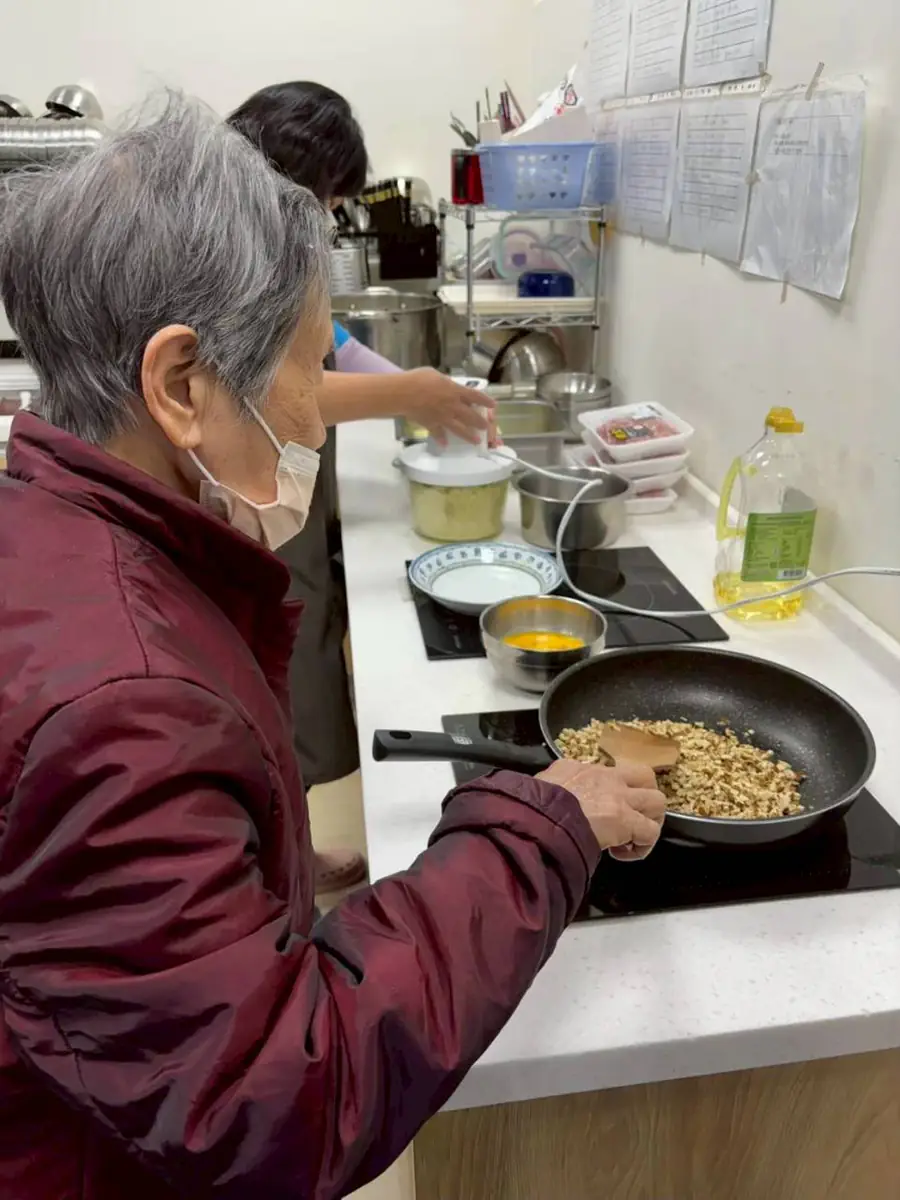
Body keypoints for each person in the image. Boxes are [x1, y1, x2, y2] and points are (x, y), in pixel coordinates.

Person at [0, 96, 665, 1199]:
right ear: (181, 386)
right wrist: (543, 826)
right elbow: (283, 1102)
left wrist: (259, 872)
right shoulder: (124, 707)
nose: (317, 415)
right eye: (308, 371)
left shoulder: (65, 531)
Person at [229, 82, 491, 892]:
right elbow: (264, 389)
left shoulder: (271, 237)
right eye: (330, 196)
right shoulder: (228, 242)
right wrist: (410, 392)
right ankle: (269, 875)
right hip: (243, 504)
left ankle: (291, 852)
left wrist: (424, 392)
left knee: (291, 675)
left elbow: (326, 343)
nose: (332, 213)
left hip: (285, 499)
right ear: (290, 174)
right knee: (258, 688)